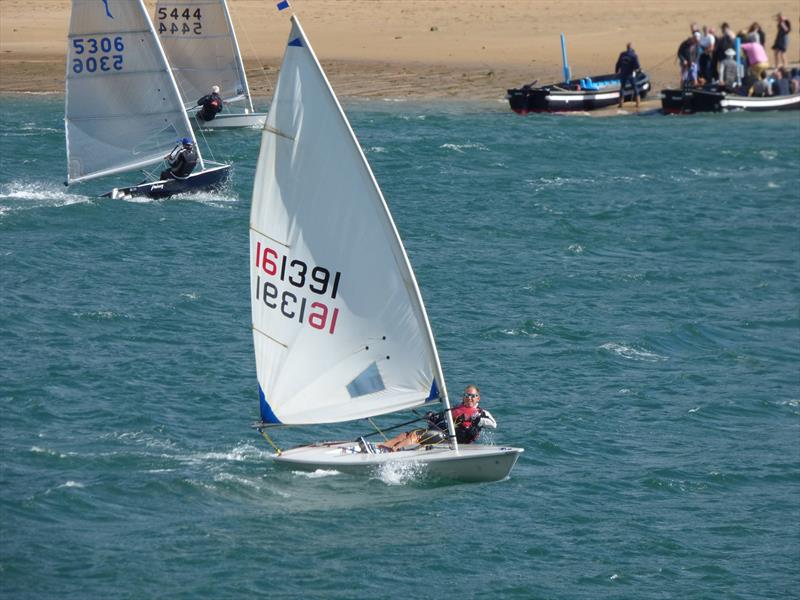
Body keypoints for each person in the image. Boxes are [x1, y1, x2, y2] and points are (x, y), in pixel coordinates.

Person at [378, 385, 497, 452]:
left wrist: (475, 419)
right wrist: (432, 417)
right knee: (406, 434)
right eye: (467, 395)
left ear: (478, 398)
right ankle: (381, 447)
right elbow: (442, 418)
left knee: (416, 434)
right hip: (441, 434)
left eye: (473, 396)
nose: (469, 398)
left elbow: (493, 424)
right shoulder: (456, 408)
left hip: (452, 440)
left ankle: (393, 450)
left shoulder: (481, 412)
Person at [615, 42, 641, 109]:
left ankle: (620, 104)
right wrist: (638, 70)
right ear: (632, 48)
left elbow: (617, 63)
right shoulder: (634, 55)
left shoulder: (622, 54)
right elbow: (637, 66)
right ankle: (638, 103)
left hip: (623, 74)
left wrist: (616, 71)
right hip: (630, 74)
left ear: (627, 47)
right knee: (635, 87)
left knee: (622, 88)